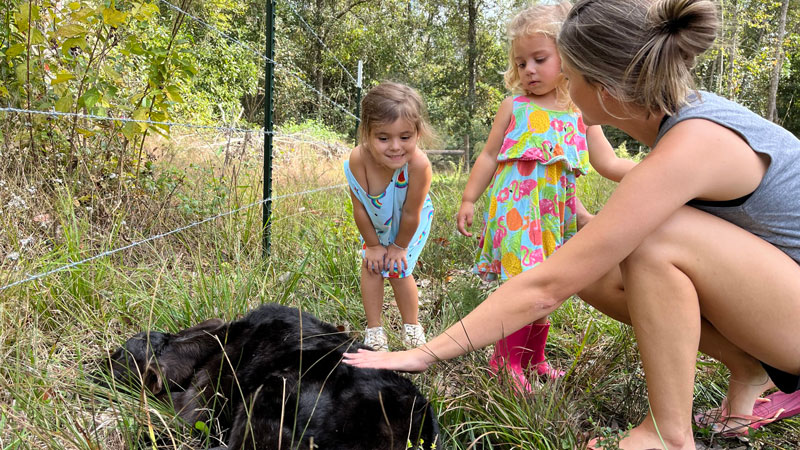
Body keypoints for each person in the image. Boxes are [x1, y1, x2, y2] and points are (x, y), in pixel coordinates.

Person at [344, 0, 800, 448]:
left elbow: (548, 285)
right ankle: (747, 367)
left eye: (569, 72)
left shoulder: (692, 143)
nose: (560, 82)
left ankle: (666, 434)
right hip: (779, 302)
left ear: (600, 87)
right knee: (597, 270)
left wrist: (425, 353)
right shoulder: (687, 123)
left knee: (652, 239)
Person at [455, 1, 632, 390]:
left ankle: (534, 359)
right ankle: (505, 362)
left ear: (567, 59)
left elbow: (608, 162)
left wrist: (656, 169)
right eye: (521, 63)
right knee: (523, 281)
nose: (529, 70)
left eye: (540, 59)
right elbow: (488, 156)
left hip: (554, 217)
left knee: (549, 284)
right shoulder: (514, 107)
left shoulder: (580, 112)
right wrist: (469, 199)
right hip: (516, 211)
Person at [344, 81, 435, 352]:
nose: (395, 147)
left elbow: (411, 213)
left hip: (409, 224)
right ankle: (374, 331)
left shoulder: (419, 165)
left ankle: (412, 327)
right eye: (383, 138)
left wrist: (398, 247)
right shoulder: (358, 160)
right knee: (371, 266)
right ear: (367, 133)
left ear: (417, 133)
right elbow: (360, 207)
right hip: (375, 222)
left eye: (405, 137)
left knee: (398, 269)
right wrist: (373, 245)